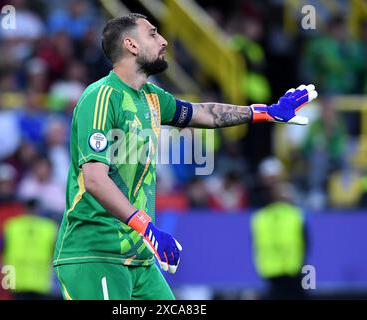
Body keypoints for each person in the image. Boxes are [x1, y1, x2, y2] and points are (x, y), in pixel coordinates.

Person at [52, 13, 318, 300]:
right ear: (130, 44)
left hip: (139, 260)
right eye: (153, 34)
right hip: (94, 254)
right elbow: (93, 179)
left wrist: (264, 112)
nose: (164, 40)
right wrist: (148, 228)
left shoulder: (152, 97)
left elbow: (203, 113)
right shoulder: (101, 97)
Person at [250, 182, 308, 300]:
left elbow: (255, 243)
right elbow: (306, 242)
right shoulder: (295, 215)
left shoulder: (260, 217)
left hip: (270, 269)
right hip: (292, 268)